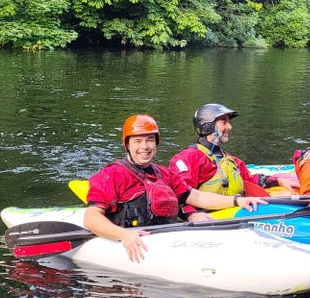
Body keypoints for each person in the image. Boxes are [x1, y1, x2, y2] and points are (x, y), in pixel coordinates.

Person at [84, 114, 221, 263]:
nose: (145, 147)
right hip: (130, 239)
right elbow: (90, 218)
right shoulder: (112, 174)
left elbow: (198, 197)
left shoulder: (164, 174)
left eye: (150, 140)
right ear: (127, 145)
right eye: (137, 141)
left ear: (156, 143)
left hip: (164, 240)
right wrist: (123, 235)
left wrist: (238, 200)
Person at [169, 103, 276, 200]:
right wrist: (191, 214)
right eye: (223, 122)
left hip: (233, 209)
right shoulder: (189, 157)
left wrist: (276, 181)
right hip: (207, 215)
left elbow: (249, 180)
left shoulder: (229, 159)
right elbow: (179, 193)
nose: (230, 127)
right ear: (207, 127)